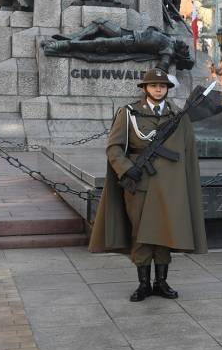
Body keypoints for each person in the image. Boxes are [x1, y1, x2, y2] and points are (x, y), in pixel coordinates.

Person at [89, 69, 208, 301]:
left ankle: (161, 282)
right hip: (139, 183)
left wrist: (185, 185)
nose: (158, 89)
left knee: (165, 232)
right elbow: (114, 147)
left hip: (170, 185)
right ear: (145, 88)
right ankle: (143, 284)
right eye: (153, 85)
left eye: (162, 86)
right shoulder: (129, 113)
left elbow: (189, 153)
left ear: (167, 89)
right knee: (140, 233)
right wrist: (125, 168)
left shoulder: (179, 116)